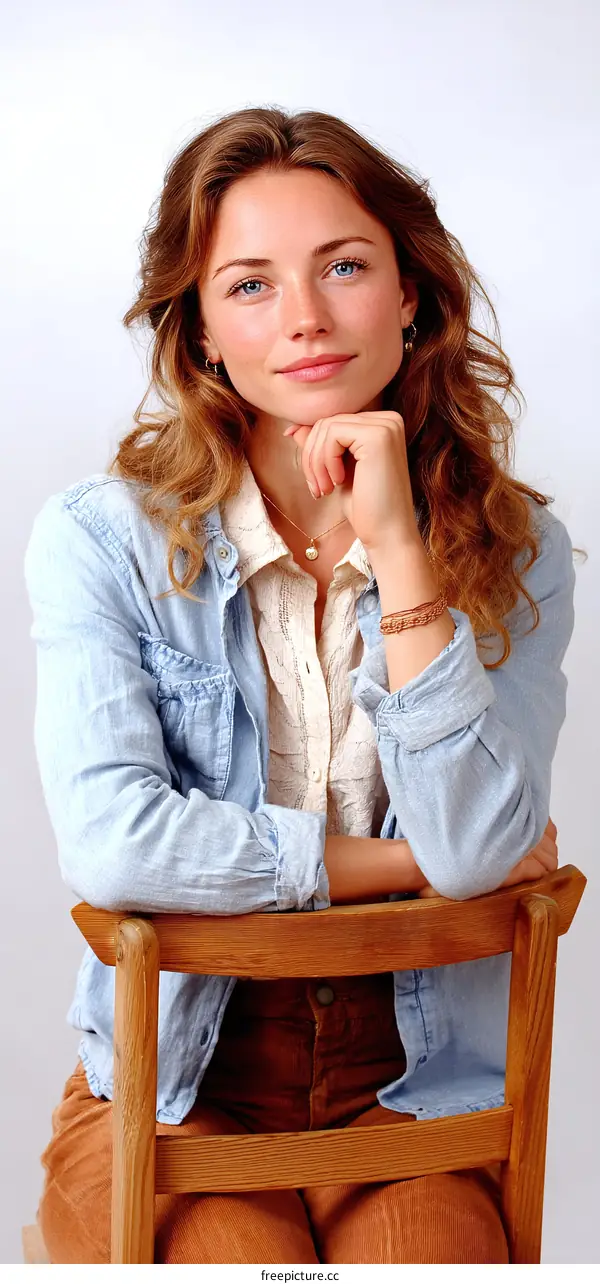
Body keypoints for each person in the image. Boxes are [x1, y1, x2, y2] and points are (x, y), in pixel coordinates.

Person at [24, 105, 577, 1265]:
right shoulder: (101, 540)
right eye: (251, 284)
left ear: (410, 292)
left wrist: (402, 548)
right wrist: (401, 868)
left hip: (415, 1083)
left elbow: (479, 843)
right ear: (202, 331)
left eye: (344, 266)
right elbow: (115, 845)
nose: (306, 318)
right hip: (173, 1077)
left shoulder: (517, 549)